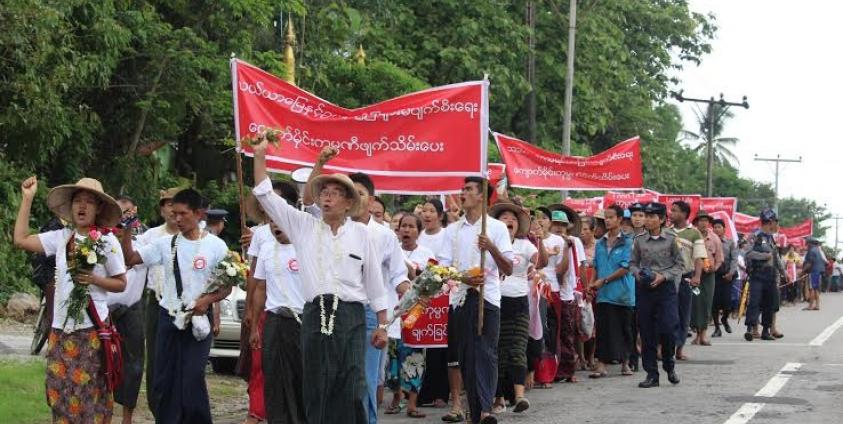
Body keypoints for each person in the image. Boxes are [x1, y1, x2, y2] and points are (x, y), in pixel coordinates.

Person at [251, 137, 389, 424]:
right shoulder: (303, 226)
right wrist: (260, 156)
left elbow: (375, 283)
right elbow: (266, 196)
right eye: (324, 192)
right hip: (315, 313)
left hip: (352, 315)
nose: (327, 197)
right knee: (317, 383)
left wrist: (383, 325)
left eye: (335, 193)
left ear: (349, 202)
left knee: (352, 384)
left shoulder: (362, 235)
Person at [14, 176, 128, 422]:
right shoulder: (62, 237)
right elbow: (21, 240)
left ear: (98, 208)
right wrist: (27, 199)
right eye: (78, 201)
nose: (82, 206)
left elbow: (121, 283)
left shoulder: (107, 240)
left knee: (87, 396)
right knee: (58, 393)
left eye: (89, 201)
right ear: (71, 206)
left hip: (90, 331)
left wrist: (94, 279)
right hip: (60, 329)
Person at [119, 188, 232, 423]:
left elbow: (227, 287)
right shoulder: (164, 244)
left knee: (192, 377)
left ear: (198, 213)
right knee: (164, 379)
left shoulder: (216, 246)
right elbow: (130, 259)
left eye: (183, 214)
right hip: (168, 317)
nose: (177, 219)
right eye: (175, 213)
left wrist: (206, 301)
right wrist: (127, 229)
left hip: (198, 319)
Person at [438, 177, 514, 424]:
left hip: (488, 298)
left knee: (486, 353)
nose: (463, 193)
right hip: (460, 298)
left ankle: (484, 409)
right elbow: (441, 269)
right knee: (466, 356)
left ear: (482, 196)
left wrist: (490, 247)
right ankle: (476, 409)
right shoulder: (452, 230)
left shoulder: (496, 228)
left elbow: (509, 267)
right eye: (463, 189)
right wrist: (464, 278)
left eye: (469, 189)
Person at [249, 181, 306, 424]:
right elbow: (260, 288)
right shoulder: (266, 250)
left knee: (300, 378)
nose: (275, 226)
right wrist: (254, 326)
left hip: (302, 321)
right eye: (271, 221)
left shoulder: (306, 248)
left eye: (279, 220)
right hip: (273, 321)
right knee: (274, 377)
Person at [490, 201, 547, 414]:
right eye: (504, 217)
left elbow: (541, 262)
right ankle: (499, 398)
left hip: (519, 302)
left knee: (518, 348)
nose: (509, 221)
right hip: (494, 301)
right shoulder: (490, 245)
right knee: (497, 351)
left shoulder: (524, 245)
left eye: (513, 218)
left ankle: (520, 396)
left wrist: (540, 240)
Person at [386, 213, 437, 419]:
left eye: (411, 226)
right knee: (393, 356)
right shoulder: (391, 250)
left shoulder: (427, 254)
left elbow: (431, 282)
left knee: (415, 357)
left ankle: (412, 403)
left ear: (419, 231)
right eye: (403, 226)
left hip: (416, 313)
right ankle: (397, 396)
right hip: (393, 310)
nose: (406, 230)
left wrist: (409, 268)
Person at [137, 187, 180, 418]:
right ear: (162, 210)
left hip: (187, 306)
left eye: (178, 204)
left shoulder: (197, 236)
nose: (173, 210)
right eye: (169, 205)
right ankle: (158, 410)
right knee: (155, 358)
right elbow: (131, 260)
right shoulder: (150, 236)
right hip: (156, 302)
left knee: (182, 361)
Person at [629, 202, 683, 388]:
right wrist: (638, 274)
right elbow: (632, 263)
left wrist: (663, 276)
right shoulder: (639, 240)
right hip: (645, 290)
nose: (648, 220)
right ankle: (651, 374)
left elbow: (680, 265)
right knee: (647, 332)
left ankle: (669, 364)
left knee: (668, 329)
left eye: (652, 216)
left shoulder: (672, 239)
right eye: (646, 216)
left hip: (666, 289)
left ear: (661, 219)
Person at [108, 196, 149, 424]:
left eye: (126, 212)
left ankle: (127, 418)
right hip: (103, 310)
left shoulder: (145, 238)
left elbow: (130, 258)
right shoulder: (101, 236)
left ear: (134, 210)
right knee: (103, 363)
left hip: (132, 308)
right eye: (118, 212)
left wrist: (127, 231)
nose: (122, 217)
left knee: (133, 366)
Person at [589, 205, 635, 378]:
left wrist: (605, 280)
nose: (607, 221)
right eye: (606, 218)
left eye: (611, 217)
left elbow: (626, 267)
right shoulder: (600, 243)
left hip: (623, 293)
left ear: (619, 219)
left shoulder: (628, 242)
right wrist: (592, 283)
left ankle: (626, 363)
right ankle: (601, 364)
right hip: (604, 294)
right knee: (603, 329)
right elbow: (596, 266)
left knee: (625, 329)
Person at [416, 199, 452, 410]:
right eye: (424, 211)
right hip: (419, 295)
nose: (427, 214)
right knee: (419, 344)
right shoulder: (418, 235)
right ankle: (417, 391)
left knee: (439, 347)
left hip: (441, 296)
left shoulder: (447, 235)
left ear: (440, 215)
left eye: (431, 211)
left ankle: (440, 393)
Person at [546, 205, 585, 383]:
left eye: (563, 224)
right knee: (551, 333)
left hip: (567, 292)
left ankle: (568, 370)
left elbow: (580, 265)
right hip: (550, 292)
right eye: (556, 223)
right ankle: (551, 370)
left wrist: (583, 289)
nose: (559, 227)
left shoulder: (573, 242)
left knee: (568, 333)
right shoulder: (545, 241)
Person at [532, 206, 566, 388]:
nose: (540, 221)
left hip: (551, 288)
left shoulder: (558, 240)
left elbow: (561, 269)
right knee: (534, 331)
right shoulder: (528, 239)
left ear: (550, 222)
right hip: (532, 289)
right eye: (536, 218)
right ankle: (533, 372)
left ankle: (548, 374)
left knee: (550, 331)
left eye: (544, 218)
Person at [667, 201, 706, 360]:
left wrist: (697, 276)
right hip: (668, 278)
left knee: (683, 314)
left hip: (685, 278)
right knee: (667, 314)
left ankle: (679, 349)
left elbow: (698, 257)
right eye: (671, 210)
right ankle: (664, 347)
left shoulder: (694, 233)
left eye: (674, 210)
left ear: (684, 214)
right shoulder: (666, 231)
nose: (671, 213)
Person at [743, 209, 786, 341]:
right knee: (754, 302)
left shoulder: (771, 238)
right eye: (776, 221)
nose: (777, 224)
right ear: (770, 222)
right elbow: (747, 253)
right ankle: (750, 329)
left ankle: (766, 331)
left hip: (771, 275)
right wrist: (763, 256)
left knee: (769, 303)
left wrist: (784, 272)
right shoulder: (755, 236)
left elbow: (775, 257)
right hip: (758, 274)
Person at [691, 211, 723, 346]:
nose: (703, 223)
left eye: (706, 220)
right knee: (694, 302)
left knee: (706, 303)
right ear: (696, 222)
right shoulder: (691, 235)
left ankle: (703, 334)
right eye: (701, 220)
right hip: (693, 274)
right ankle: (697, 334)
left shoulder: (714, 238)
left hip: (708, 276)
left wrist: (714, 268)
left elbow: (719, 258)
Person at [711, 219, 738, 337]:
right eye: (715, 227)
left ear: (724, 229)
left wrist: (731, 273)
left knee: (727, 303)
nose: (717, 229)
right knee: (715, 303)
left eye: (719, 227)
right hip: (714, 275)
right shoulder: (709, 241)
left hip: (727, 276)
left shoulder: (730, 242)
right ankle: (717, 328)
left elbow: (734, 259)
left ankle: (725, 319)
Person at [801, 237, 826, 311]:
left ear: (810, 243)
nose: (806, 245)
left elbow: (809, 263)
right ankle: (817, 305)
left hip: (813, 271)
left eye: (807, 243)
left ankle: (810, 306)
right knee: (816, 289)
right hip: (818, 271)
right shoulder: (817, 250)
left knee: (811, 289)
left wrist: (803, 271)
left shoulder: (811, 251)